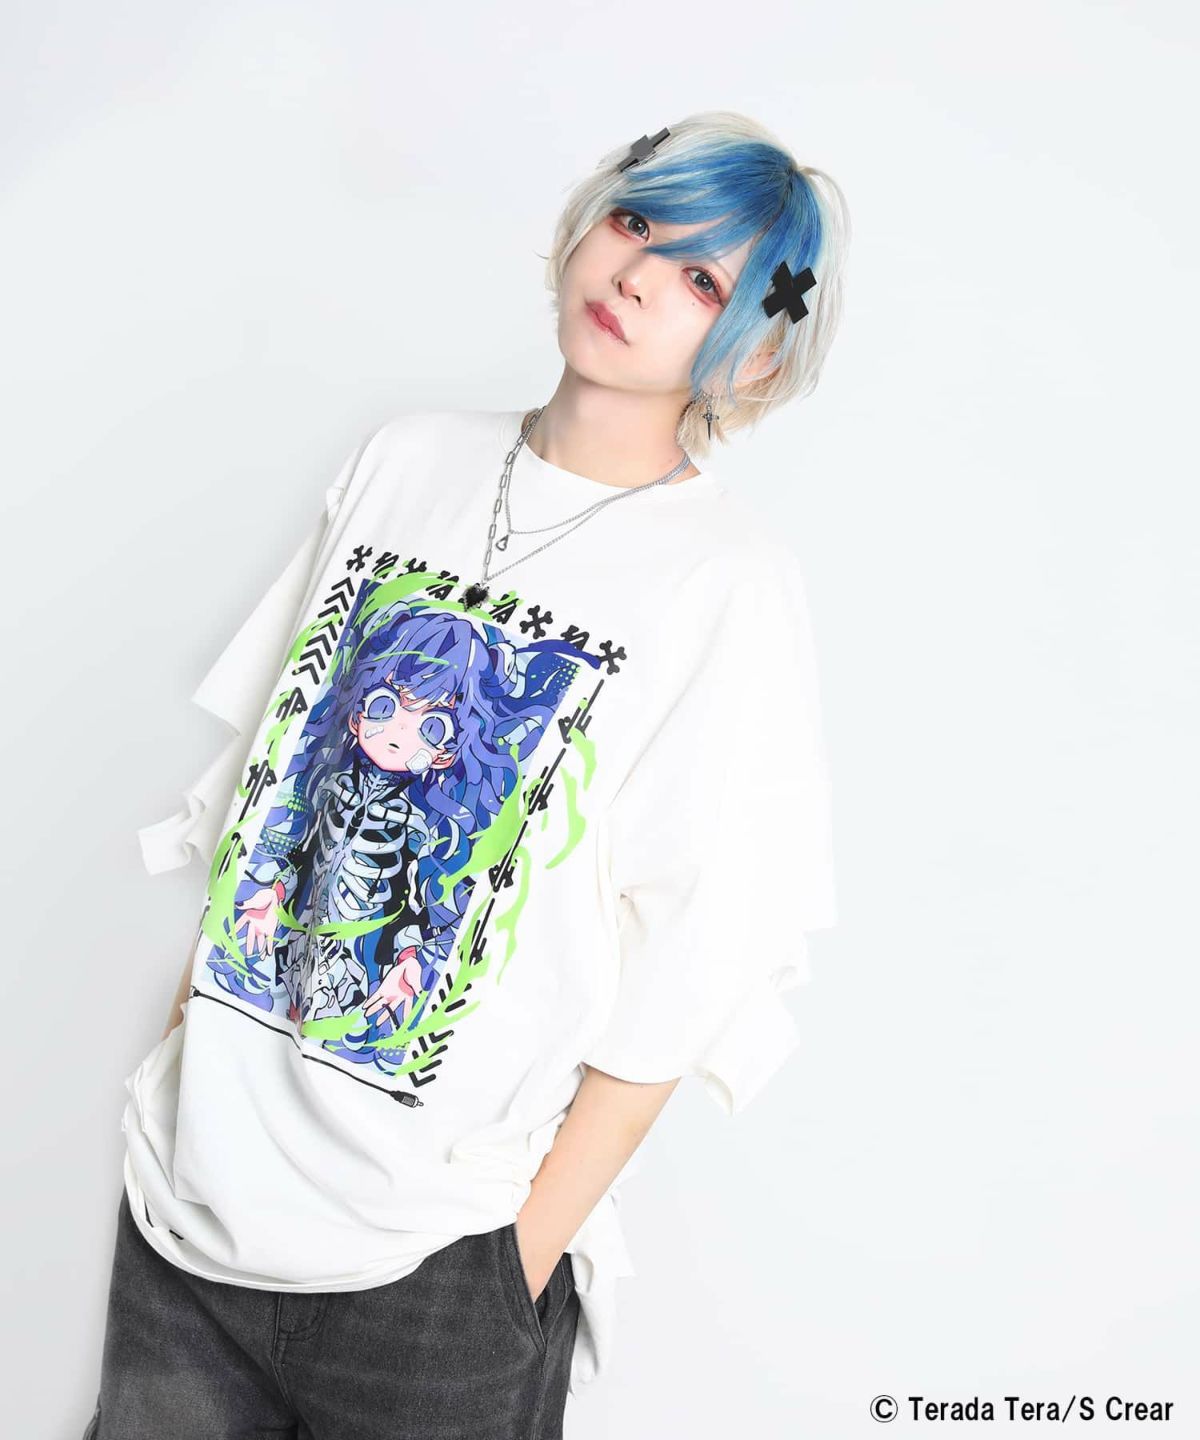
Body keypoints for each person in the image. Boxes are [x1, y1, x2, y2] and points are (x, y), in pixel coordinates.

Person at [82, 109, 849, 1439]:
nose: (637, 278)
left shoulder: (724, 583)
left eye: (701, 278)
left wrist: (515, 1262)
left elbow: (697, 957)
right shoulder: (408, 457)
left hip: (434, 1273)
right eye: (635, 223)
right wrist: (182, 1063)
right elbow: (268, 774)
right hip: (189, 1209)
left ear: (758, 351)